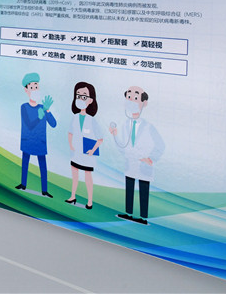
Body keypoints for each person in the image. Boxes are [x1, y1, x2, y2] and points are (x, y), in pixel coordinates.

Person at [109, 86, 165, 225]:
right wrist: (115, 136)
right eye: (129, 98)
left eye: (135, 98)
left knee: (143, 191)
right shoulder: (125, 125)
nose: (131, 101)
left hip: (144, 165)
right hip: (130, 164)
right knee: (129, 189)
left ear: (144, 103)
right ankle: (129, 213)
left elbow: (160, 144)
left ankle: (143, 217)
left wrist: (151, 158)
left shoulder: (148, 127)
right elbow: (123, 147)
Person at [15, 72, 56, 197]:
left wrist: (47, 111)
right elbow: (29, 124)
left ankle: (44, 190)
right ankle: (23, 184)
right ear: (26, 90)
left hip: (40, 142)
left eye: (36, 87)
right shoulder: (24, 107)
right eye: (32, 87)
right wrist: (39, 117)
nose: (35, 90)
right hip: (28, 140)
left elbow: (53, 124)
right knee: (25, 163)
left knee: (43, 166)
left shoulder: (43, 107)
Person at [66, 81, 103, 209]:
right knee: (74, 174)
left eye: (84, 96)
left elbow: (100, 139)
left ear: (90, 100)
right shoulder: (75, 117)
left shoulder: (92, 121)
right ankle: (73, 196)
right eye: (78, 95)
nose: (80, 98)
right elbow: (70, 133)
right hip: (75, 153)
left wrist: (92, 150)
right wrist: (71, 145)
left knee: (88, 177)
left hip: (87, 154)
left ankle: (90, 201)